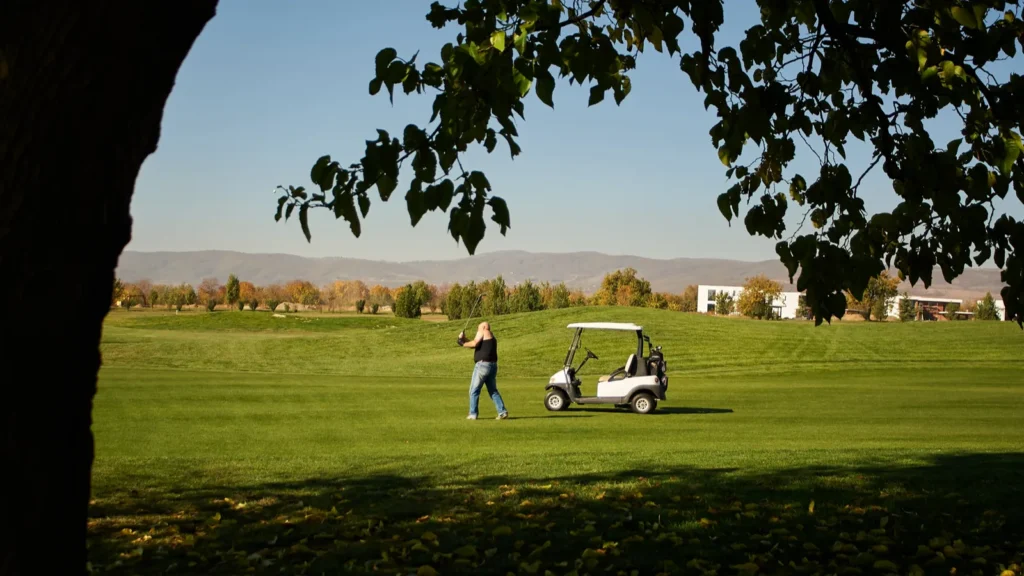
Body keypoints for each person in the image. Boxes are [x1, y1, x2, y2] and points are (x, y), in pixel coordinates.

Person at [458, 321, 509, 420]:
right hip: (492, 366)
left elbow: (474, 343)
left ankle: (473, 413)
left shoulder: (484, 331)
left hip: (482, 366)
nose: (478, 331)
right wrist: (464, 339)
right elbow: (475, 343)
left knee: (474, 390)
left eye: (478, 328)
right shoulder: (491, 337)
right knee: (493, 391)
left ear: (484, 327)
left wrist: (461, 343)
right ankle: (502, 412)